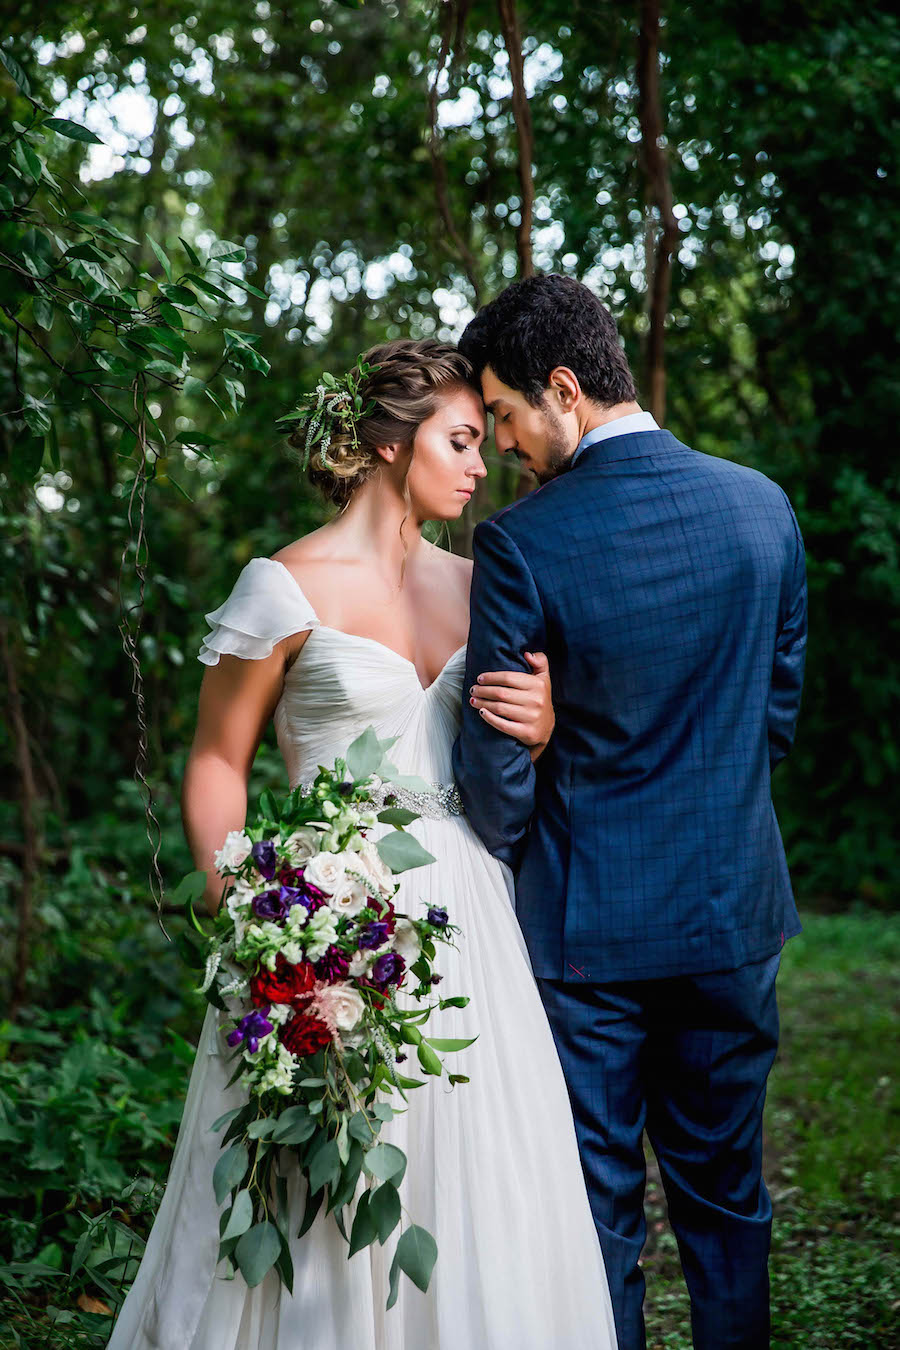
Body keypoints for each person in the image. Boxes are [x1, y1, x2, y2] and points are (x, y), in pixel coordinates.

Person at [107, 339, 618, 1350]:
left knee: (482, 1174)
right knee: (318, 1184)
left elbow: (526, 745)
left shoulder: (488, 582)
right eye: (464, 440)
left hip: (471, 909)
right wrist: (247, 907)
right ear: (390, 442)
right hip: (318, 918)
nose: (484, 464)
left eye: (487, 441)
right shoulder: (284, 583)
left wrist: (549, 723)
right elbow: (217, 760)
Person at [452, 273, 807, 1350]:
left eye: (507, 414)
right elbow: (773, 718)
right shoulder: (763, 505)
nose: (505, 444)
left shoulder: (523, 543)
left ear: (565, 388)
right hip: (728, 914)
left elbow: (497, 772)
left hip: (585, 932)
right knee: (726, 1200)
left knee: (596, 1215)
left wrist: (546, 769)